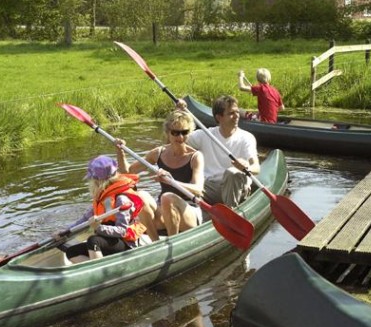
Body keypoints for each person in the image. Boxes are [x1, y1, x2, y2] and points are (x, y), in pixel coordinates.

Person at [115, 109, 204, 237]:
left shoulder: (195, 157)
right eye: (175, 133)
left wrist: (171, 181)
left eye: (184, 132)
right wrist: (120, 152)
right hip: (165, 210)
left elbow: (198, 190)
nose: (180, 137)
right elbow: (128, 171)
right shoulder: (158, 153)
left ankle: (173, 242)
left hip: (189, 212)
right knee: (140, 195)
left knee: (167, 197)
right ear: (168, 133)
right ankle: (155, 243)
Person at [57, 155, 152, 264]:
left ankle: (101, 271)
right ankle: (95, 270)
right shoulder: (102, 197)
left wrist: (99, 228)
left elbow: (122, 231)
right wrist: (64, 233)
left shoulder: (121, 199)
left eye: (92, 179)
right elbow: (84, 220)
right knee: (71, 252)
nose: (91, 182)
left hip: (126, 244)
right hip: (108, 240)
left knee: (93, 241)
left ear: (99, 180)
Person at [182, 95, 260, 207]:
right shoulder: (205, 134)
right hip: (210, 188)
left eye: (237, 112)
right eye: (231, 113)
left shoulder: (246, 137)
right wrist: (181, 112)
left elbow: (256, 167)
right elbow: (177, 139)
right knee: (187, 184)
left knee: (232, 172)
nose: (236, 116)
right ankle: (192, 215)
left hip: (237, 187)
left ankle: (230, 213)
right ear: (219, 117)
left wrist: (246, 168)